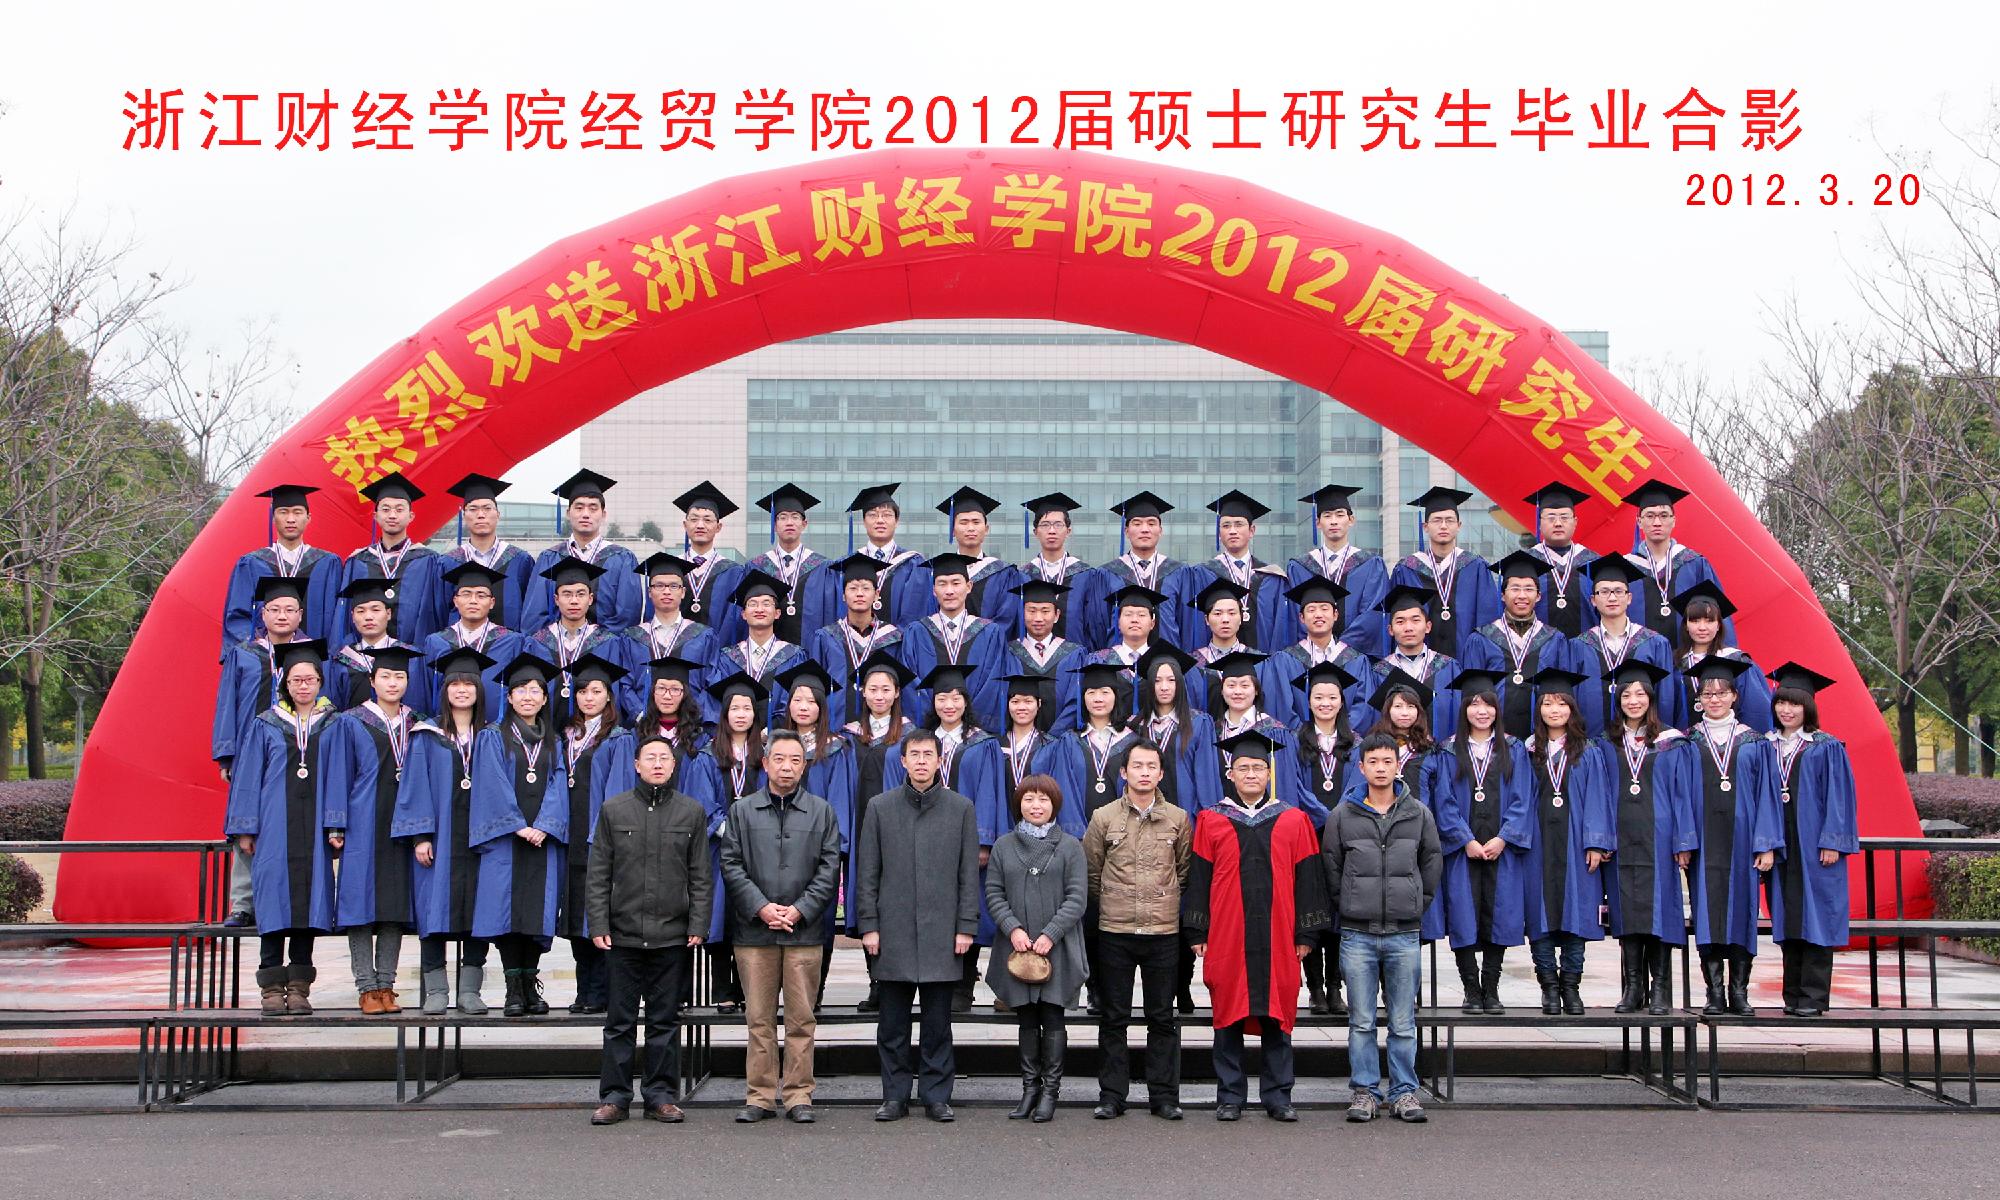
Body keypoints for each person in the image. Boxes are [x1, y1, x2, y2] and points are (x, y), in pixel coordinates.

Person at [1185, 728, 1332, 1122]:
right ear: (1230, 773)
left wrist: (1306, 932)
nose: (1251, 774)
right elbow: (1199, 879)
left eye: (1258, 768)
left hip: (1280, 933)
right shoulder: (1211, 820)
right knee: (1227, 1013)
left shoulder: (1294, 820)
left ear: (1269, 773)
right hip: (1227, 933)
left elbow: (1308, 880)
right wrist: (1197, 930)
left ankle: (1278, 1096)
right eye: (1243, 768)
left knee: (1278, 1014)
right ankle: (1230, 1096)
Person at [855, 729, 982, 1123]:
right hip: (892, 931)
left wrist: (965, 926)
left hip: (942, 932)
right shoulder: (880, 807)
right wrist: (869, 925)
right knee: (892, 1024)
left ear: (940, 760)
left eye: (929, 754)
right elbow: (868, 872)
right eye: (915, 755)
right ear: (903, 761)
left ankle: (936, 1096)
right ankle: (894, 1096)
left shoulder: (960, 808)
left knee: (937, 1025)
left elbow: (968, 875)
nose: (922, 761)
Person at [586, 733, 711, 1127]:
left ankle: (661, 1096)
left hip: (671, 935)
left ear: (674, 766)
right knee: (619, 1023)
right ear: (636, 765)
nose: (658, 764)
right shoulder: (614, 809)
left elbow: (700, 875)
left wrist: (698, 924)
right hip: (622, 934)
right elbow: (598, 873)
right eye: (650, 758)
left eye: (664, 758)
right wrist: (598, 922)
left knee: (664, 1021)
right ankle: (614, 1097)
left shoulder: (691, 812)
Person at [719, 729, 844, 1123]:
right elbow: (730, 864)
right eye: (779, 759)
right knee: (758, 1019)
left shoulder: (821, 811)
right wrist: (761, 907)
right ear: (765, 762)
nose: (786, 767)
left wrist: (800, 910)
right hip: (754, 933)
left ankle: (798, 1095)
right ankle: (758, 1096)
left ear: (804, 766)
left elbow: (830, 867)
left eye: (795, 760)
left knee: (801, 1019)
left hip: (804, 932)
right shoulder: (742, 811)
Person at [1325, 732, 1442, 1124]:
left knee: (1402, 1021)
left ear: (1397, 765)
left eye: (1387, 761)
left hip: (1403, 933)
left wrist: (1417, 903)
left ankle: (1404, 1092)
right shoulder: (1343, 814)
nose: (1380, 768)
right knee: (1361, 1021)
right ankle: (1365, 1092)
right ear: (1361, 767)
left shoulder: (1418, 813)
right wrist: (1348, 903)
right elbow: (1332, 864)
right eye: (1372, 761)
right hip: (1357, 934)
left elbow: (1432, 860)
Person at [224, 639, 336, 1016]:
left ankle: (300, 987)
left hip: (315, 829)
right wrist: (245, 827)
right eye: (296, 680)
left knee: (307, 906)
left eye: (310, 679)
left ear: (320, 682)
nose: (303, 686)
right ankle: (271, 987)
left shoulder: (333, 724)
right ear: (285, 683)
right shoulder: (266, 723)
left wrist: (337, 824)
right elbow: (247, 778)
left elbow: (342, 777)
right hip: (274, 827)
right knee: (272, 905)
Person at [885, 665, 1007, 1011]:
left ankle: (963, 985)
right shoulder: (921, 743)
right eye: (942, 697)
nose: (949, 704)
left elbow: (989, 792)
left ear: (966, 701)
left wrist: (983, 841)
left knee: (968, 906)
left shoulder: (983, 743)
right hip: (924, 837)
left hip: (966, 837)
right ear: (933, 702)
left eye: (956, 697)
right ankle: (930, 981)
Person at [1082, 739, 1193, 1121]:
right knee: (1114, 1017)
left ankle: (1164, 1096)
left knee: (1162, 1017)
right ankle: (1112, 1095)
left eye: (1151, 767)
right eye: (1137, 766)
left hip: (1163, 932)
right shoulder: (1104, 817)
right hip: (1116, 930)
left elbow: (1183, 871)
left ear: (1160, 774)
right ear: (1123, 772)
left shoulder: (1177, 818)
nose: (1144, 773)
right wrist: (1116, 901)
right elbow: (1092, 872)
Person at [393, 646, 495, 1015]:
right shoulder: (426, 734)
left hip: (480, 838)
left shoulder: (492, 735)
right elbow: (415, 784)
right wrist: (421, 835)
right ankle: (436, 990)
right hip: (440, 839)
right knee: (433, 912)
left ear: (479, 690)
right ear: (445, 690)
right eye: (455, 684)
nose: (462, 690)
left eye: (469, 684)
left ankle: (470, 991)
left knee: (479, 914)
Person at [320, 644, 421, 1014]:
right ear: (373, 681)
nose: (393, 683)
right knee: (358, 905)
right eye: (386, 676)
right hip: (363, 821)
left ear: (407, 682)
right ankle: (366, 987)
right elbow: (339, 774)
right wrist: (336, 823)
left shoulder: (417, 723)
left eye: (399, 676)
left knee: (394, 906)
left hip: (403, 822)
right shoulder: (350, 721)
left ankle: (387, 986)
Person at [470, 653, 570, 1017]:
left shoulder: (553, 741)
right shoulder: (492, 737)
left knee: (535, 914)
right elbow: (491, 782)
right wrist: (518, 825)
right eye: (520, 690)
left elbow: (559, 782)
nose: (528, 696)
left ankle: (531, 983)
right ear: (509, 697)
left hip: (542, 839)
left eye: (535, 690)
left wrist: (544, 825)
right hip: (506, 838)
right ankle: (513, 988)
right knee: (507, 913)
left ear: (545, 699)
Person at [985, 773, 1089, 1122]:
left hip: (1056, 946)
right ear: (1019, 804)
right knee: (1026, 1016)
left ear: (1054, 804)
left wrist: (1051, 934)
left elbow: (1077, 897)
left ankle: (1050, 1092)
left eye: (1043, 799)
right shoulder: (1003, 846)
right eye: (1029, 799)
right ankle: (1029, 1088)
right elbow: (994, 892)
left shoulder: (1071, 846)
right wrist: (1012, 928)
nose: (1036, 805)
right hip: (1017, 946)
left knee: (1052, 1014)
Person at [1685, 655, 1785, 1016]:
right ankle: (1714, 992)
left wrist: (1766, 845)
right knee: (1707, 914)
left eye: (1721, 693)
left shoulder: (1755, 742)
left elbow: (1768, 796)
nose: (1714, 699)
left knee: (1743, 913)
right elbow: (1680, 797)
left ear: (1734, 696)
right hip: (1704, 842)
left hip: (1743, 842)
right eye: (1708, 693)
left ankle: (1739, 991)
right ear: (1699, 699)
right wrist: (1684, 842)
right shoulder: (1687, 742)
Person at [1432, 669, 1533, 1015]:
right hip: (1464, 851)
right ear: (1464, 709)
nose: (1481, 711)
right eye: (1474, 704)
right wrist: (1465, 839)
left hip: (1501, 849)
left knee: (1498, 914)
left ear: (1496, 709)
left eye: (1487, 704)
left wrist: (1504, 838)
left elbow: (1522, 798)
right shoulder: (1448, 750)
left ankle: (1491, 989)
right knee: (1463, 916)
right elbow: (1443, 801)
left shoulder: (1514, 748)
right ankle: (1470, 990)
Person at [1600, 660, 1697, 1016]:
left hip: (1661, 839)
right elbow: (1599, 793)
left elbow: (1684, 795)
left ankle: (1661, 989)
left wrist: (1684, 841)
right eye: (1626, 695)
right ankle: (1633, 987)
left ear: (1651, 699)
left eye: (1640, 694)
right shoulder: (1606, 743)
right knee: (1627, 912)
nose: (1633, 701)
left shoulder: (1672, 743)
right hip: (1621, 838)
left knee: (1661, 912)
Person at [212, 575, 310, 927]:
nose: (282, 616)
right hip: (251, 753)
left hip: (297, 751)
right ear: (262, 613)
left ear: (300, 615)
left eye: (289, 610)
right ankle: (243, 903)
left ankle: (295, 900)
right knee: (245, 822)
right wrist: (227, 755)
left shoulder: (312, 654)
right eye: (275, 610)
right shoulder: (243, 654)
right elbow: (228, 705)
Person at [1517, 666, 1615, 1016]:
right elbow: (1519, 797)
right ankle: (1548, 987)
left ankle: (1571, 987)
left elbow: (1598, 797)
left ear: (1572, 709)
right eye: (1547, 703)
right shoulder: (1527, 750)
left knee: (1577, 913)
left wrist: (1596, 842)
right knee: (1539, 914)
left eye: (1561, 703)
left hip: (1576, 843)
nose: (1554, 710)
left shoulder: (1588, 750)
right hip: (1538, 842)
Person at [1764, 661, 1860, 1017]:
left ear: (1808, 706)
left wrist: (1833, 840)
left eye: (1794, 703)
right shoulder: (1766, 745)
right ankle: (1792, 996)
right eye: (1781, 702)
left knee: (1818, 916)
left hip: (1816, 845)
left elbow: (1839, 797)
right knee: (1789, 916)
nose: (1787, 710)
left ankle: (1814, 997)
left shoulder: (1826, 747)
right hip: (1781, 843)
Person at [771, 661, 861, 1005]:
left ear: (822, 707)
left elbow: (840, 803)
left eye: (811, 701)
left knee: (817, 921)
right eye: (797, 700)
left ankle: (814, 992)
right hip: (775, 850)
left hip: (817, 852)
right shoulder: (773, 746)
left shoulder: (836, 749)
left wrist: (831, 848)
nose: (804, 707)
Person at [684, 671, 769, 1015]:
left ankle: (749, 990)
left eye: (747, 708)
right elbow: (702, 803)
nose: (741, 714)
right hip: (718, 849)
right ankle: (722, 990)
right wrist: (730, 831)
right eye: (734, 708)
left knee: (750, 915)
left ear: (755, 714)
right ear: (724, 714)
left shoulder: (765, 755)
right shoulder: (707, 755)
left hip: (759, 849)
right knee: (719, 917)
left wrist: (755, 832)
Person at [842, 650, 919, 1013]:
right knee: (867, 897)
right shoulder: (848, 736)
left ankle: (898, 979)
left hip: (898, 828)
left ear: (897, 693)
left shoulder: (910, 735)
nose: (879, 695)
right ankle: (876, 982)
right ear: (863, 692)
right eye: (872, 689)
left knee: (896, 899)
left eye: (886, 689)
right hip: (860, 825)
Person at [1290, 660, 1366, 1016]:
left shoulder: (1356, 743)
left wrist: (1339, 816)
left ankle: (1335, 986)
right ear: (1309, 701)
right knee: (1311, 907)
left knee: (1339, 909)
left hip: (1345, 836)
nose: (1325, 703)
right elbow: (1295, 785)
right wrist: (1324, 814)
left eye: (1332, 697)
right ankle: (1315, 988)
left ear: (1341, 701)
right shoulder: (1296, 741)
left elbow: (1359, 784)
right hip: (1308, 834)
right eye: (1318, 697)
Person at [556, 652, 627, 1015]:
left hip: (597, 837)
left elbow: (617, 791)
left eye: (596, 691)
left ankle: (601, 991)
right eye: (582, 691)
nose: (588, 697)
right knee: (575, 915)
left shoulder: (618, 738)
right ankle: (584, 989)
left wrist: (605, 834)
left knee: (597, 914)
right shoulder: (566, 735)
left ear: (608, 696)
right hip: (569, 838)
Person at [1365, 671, 1452, 948]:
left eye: (1411, 706)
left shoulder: (1430, 750)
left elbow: (1441, 795)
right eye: (1398, 706)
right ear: (1387, 710)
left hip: (1417, 833)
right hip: (1378, 832)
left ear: (1420, 712)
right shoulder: (1372, 746)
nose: (1404, 712)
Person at [1461, 550, 1580, 740]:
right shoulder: (1481, 639)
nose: (1522, 595)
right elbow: (1471, 695)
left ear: (1538, 596)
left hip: (1542, 740)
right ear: (1502, 595)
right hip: (1495, 739)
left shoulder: (1554, 639)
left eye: (1529, 589)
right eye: (1515, 588)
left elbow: (1564, 695)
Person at [222, 482, 342, 652]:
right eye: (283, 512)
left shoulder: (328, 564)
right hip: (264, 659)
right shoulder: (251, 564)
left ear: (308, 518)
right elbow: (237, 618)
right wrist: (256, 651)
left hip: (314, 661)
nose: (290, 519)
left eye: (297, 512)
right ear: (273, 518)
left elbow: (338, 620)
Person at [1387, 485, 1499, 660]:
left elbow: (1488, 620)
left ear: (1459, 526)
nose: (1444, 526)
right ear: (1425, 526)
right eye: (1437, 520)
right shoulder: (1407, 568)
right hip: (1418, 664)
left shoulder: (1475, 567)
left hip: (1466, 662)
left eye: (1449, 520)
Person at [525, 469, 641, 633]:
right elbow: (534, 616)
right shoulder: (549, 558)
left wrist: (595, 642)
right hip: (555, 646)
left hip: (607, 647)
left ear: (603, 514)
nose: (586, 514)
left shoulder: (622, 559)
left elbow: (627, 616)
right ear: (568, 513)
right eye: (579, 508)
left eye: (593, 508)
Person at [337, 472, 445, 648]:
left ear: (411, 516)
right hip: (365, 654)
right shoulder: (358, 561)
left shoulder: (428, 560)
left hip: (413, 653)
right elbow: (344, 615)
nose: (392, 515)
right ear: (375, 516)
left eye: (399, 509)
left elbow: (434, 611)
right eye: (386, 509)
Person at [1571, 555, 1674, 738]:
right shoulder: (1578, 646)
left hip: (1643, 743)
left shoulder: (1654, 643)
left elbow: (1664, 698)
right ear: (1593, 600)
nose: (1612, 597)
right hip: (1591, 742)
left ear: (1629, 598)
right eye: (1604, 592)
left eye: (1618, 591)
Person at [901, 552, 1007, 730]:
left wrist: (969, 723)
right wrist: (935, 721)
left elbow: (992, 684)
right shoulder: (916, 632)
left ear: (969, 586)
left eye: (956, 583)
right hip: (930, 733)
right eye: (942, 584)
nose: (949, 591)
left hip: (974, 733)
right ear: (934, 590)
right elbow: (911, 686)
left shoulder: (990, 633)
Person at [1085, 491, 1197, 653]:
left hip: (1166, 662)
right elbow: (1098, 624)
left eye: (1151, 523)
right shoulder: (1108, 574)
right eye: (1137, 524)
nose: (1145, 529)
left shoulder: (1179, 572)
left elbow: (1188, 624)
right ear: (1126, 531)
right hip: (1120, 663)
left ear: (1160, 530)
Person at [1286, 483, 1388, 658]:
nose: (1334, 521)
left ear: (1351, 520)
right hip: (1312, 658)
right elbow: (1296, 615)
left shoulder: (1371, 565)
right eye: (1327, 515)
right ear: (1318, 523)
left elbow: (1373, 614)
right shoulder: (1300, 567)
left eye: (1340, 515)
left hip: (1356, 658)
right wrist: (1318, 647)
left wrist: (1339, 649)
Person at [807, 552, 907, 728]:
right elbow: (816, 687)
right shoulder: (826, 637)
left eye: (866, 588)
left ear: (876, 594)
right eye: (853, 588)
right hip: (835, 728)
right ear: (843, 595)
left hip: (883, 730)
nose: (859, 594)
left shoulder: (893, 638)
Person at [1261, 577, 1374, 729]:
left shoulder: (1356, 661)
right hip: (1300, 741)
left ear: (1335, 615)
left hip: (1345, 741)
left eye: (1324, 608)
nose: (1318, 614)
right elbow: (1283, 709)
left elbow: (1363, 709)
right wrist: (1306, 737)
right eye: (1311, 610)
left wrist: (1340, 736)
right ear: (1302, 618)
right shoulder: (1286, 661)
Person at [617, 552, 720, 718]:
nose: (666, 591)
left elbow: (711, 681)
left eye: (673, 586)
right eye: (659, 586)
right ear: (650, 592)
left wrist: (690, 716)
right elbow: (624, 684)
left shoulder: (703, 636)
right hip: (644, 724)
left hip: (690, 726)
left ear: (683, 592)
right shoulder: (631, 638)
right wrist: (641, 715)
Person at [526, 557, 624, 728]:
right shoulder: (537, 643)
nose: (574, 601)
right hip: (547, 731)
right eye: (567, 594)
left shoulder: (607, 642)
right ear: (556, 599)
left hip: (593, 733)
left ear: (590, 599)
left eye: (580, 594)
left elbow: (613, 692)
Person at [1187, 491, 1290, 653]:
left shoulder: (1272, 577)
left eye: (1239, 524)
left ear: (1252, 530)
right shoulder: (1203, 574)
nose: (1232, 531)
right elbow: (1198, 627)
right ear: (1219, 533)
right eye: (1226, 526)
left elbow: (1279, 629)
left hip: (1262, 661)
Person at [420, 560, 526, 719]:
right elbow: (428, 691)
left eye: (481, 595)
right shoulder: (436, 642)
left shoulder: (512, 642)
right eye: (466, 594)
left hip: (498, 729)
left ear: (492, 602)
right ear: (455, 601)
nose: (473, 600)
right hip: (448, 728)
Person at [1667, 580, 1773, 733]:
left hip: (1731, 742)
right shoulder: (1674, 663)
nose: (1702, 627)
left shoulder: (1736, 661)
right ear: (1686, 625)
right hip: (1686, 743)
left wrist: (1746, 744)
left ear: (1719, 625)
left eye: (1709, 621)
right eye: (1695, 621)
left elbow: (1755, 711)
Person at [1622, 479, 1720, 644]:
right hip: (1639, 656)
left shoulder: (1694, 564)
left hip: (1688, 655)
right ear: (1639, 522)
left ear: (1673, 520)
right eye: (1650, 516)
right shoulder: (1625, 567)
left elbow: (1716, 614)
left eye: (1664, 516)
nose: (1657, 523)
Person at [435, 472, 536, 631]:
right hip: (459, 645)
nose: (481, 515)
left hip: (509, 644)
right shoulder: (448, 562)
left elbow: (531, 611)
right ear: (464, 516)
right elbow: (439, 612)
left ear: (498, 515)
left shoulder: (520, 560)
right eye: (473, 509)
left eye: (487, 508)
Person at [1131, 645, 1222, 817]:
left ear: (1180, 683)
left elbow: (1206, 780)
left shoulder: (1198, 723)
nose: (1164, 687)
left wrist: (1205, 819)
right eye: (1157, 681)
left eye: (1171, 680)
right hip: (1142, 819)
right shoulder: (1136, 726)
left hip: (1186, 818)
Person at [740, 482, 835, 646]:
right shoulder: (757, 566)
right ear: (774, 525)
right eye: (782, 517)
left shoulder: (822, 567)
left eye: (795, 517)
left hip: (811, 651)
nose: (789, 522)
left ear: (804, 524)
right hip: (768, 653)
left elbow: (830, 613)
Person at [1374, 583, 1466, 738]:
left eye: (1415, 620)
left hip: (1440, 750)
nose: (1408, 628)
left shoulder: (1448, 667)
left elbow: (1459, 714)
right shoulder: (1380, 671)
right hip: (1394, 750)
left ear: (1428, 626)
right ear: (1390, 630)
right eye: (1400, 622)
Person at [711, 573, 808, 719]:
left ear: (777, 613)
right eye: (753, 604)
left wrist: (773, 728)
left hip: (779, 731)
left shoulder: (794, 656)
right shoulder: (727, 658)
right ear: (744, 614)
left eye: (766, 604)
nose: (759, 609)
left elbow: (795, 700)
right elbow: (718, 701)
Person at [842, 482, 935, 632]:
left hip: (898, 644)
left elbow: (914, 614)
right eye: (872, 515)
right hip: (853, 643)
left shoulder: (914, 564)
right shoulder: (848, 564)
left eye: (887, 515)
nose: (880, 520)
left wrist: (889, 640)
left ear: (896, 521)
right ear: (864, 522)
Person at [1000, 578, 1084, 731]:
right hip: (1020, 737)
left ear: (1056, 615)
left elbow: (1075, 701)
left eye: (1045, 611)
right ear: (1022, 613)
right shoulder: (1009, 652)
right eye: (1031, 611)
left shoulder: (1074, 654)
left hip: (1063, 738)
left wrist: (1055, 736)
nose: (1038, 618)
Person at [326, 577, 419, 710]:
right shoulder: (341, 659)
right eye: (361, 611)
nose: (368, 617)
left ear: (388, 614)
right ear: (353, 617)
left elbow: (416, 702)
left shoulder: (410, 656)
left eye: (375, 610)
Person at [936, 486, 1023, 625]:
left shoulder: (1003, 574)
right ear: (952, 530)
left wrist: (985, 637)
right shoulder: (937, 572)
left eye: (976, 522)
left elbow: (1007, 619)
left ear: (986, 529)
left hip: (990, 639)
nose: (971, 528)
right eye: (964, 522)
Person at [1014, 492, 1096, 640]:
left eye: (1058, 525)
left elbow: (1094, 625)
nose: (1052, 531)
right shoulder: (1022, 575)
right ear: (1035, 532)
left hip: (1076, 652)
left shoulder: (1086, 575)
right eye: (1045, 525)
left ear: (1068, 531)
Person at [1523, 482, 1599, 640]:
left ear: (1575, 522)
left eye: (1564, 517)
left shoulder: (1594, 562)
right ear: (1540, 522)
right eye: (1551, 518)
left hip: (1587, 649)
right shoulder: (1526, 563)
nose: (1558, 523)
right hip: (1537, 651)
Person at [671, 480, 747, 631]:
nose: (700, 525)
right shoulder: (671, 568)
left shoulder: (733, 572)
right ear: (685, 525)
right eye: (694, 519)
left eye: (707, 520)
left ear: (718, 527)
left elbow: (734, 620)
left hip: (718, 644)